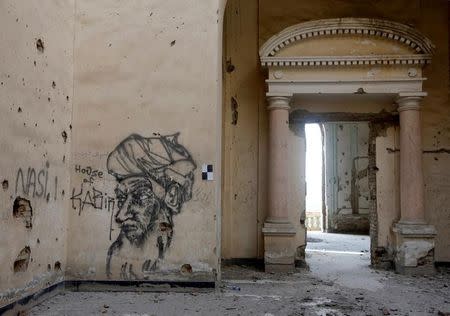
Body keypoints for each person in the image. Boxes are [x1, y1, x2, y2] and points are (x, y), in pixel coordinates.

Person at [105, 133, 196, 279]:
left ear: (171, 196)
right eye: (121, 198)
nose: (120, 216)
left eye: (139, 197)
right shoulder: (118, 253)